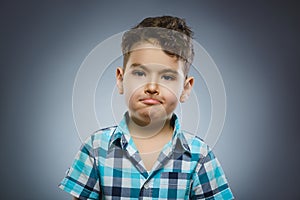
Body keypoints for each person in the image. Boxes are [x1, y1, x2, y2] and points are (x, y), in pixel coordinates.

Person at [59, 15, 234, 199]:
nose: (151, 87)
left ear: (185, 88)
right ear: (120, 79)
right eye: (140, 73)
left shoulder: (200, 156)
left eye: (167, 77)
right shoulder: (95, 148)